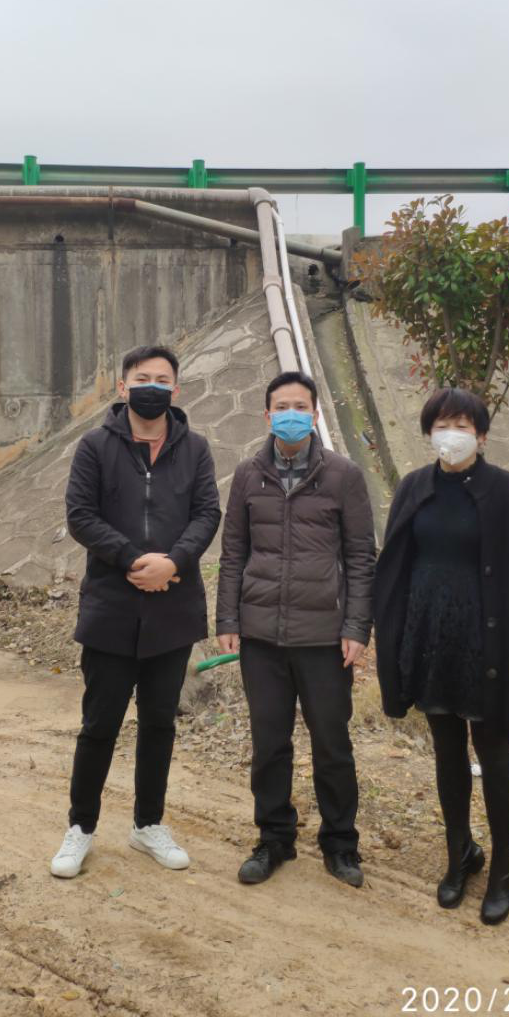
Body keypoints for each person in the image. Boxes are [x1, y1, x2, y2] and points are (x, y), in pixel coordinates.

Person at [372, 387, 509, 924]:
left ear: (482, 436)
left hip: (489, 646)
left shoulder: (506, 492)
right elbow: (395, 567)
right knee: (446, 751)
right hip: (431, 639)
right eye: (441, 424)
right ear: (429, 433)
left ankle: (504, 868)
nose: (451, 434)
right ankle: (460, 854)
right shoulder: (414, 488)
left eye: (462, 426)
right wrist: (393, 638)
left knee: (492, 752)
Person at [50, 344, 221, 879]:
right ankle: (80, 828)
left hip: (173, 608)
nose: (153, 386)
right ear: (123, 388)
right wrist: (130, 558)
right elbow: (81, 515)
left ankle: (148, 824)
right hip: (111, 606)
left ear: (176, 389)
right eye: (142, 378)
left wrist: (173, 562)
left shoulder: (195, 449)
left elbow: (207, 513)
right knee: (99, 724)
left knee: (159, 724)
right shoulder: (96, 446)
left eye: (162, 379)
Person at [216, 370, 376, 888]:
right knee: (269, 743)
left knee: (332, 743)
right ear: (267, 415)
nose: (291, 414)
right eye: (281, 406)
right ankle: (274, 838)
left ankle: (340, 843)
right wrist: (228, 619)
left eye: (300, 406)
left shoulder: (343, 476)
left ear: (315, 414)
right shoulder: (248, 474)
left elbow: (361, 557)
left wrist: (357, 626)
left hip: (324, 638)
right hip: (261, 636)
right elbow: (233, 552)